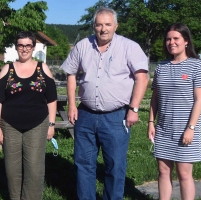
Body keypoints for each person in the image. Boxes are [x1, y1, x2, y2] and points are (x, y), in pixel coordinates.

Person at [61, 7, 149, 200]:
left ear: (116, 26)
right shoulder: (83, 46)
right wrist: (72, 104)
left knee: (115, 165)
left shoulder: (129, 47)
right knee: (83, 164)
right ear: (94, 26)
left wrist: (134, 109)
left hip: (117, 116)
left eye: (108, 24)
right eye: (99, 24)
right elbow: (71, 74)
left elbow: (142, 78)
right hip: (86, 114)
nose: (103, 29)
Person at [0, 31, 57, 200]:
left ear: (33, 47)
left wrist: (51, 124)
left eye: (28, 45)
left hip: (37, 125)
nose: (24, 49)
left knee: (34, 170)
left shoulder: (43, 69)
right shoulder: (8, 68)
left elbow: (51, 99)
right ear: (16, 47)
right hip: (10, 125)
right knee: (13, 171)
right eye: (21, 45)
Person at [148, 23, 201, 200]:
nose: (171, 42)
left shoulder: (197, 66)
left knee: (184, 174)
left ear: (186, 41)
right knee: (163, 170)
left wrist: (191, 128)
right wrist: (151, 122)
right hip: (164, 128)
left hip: (186, 128)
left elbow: (200, 100)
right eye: (168, 39)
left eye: (176, 38)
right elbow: (155, 98)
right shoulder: (161, 67)